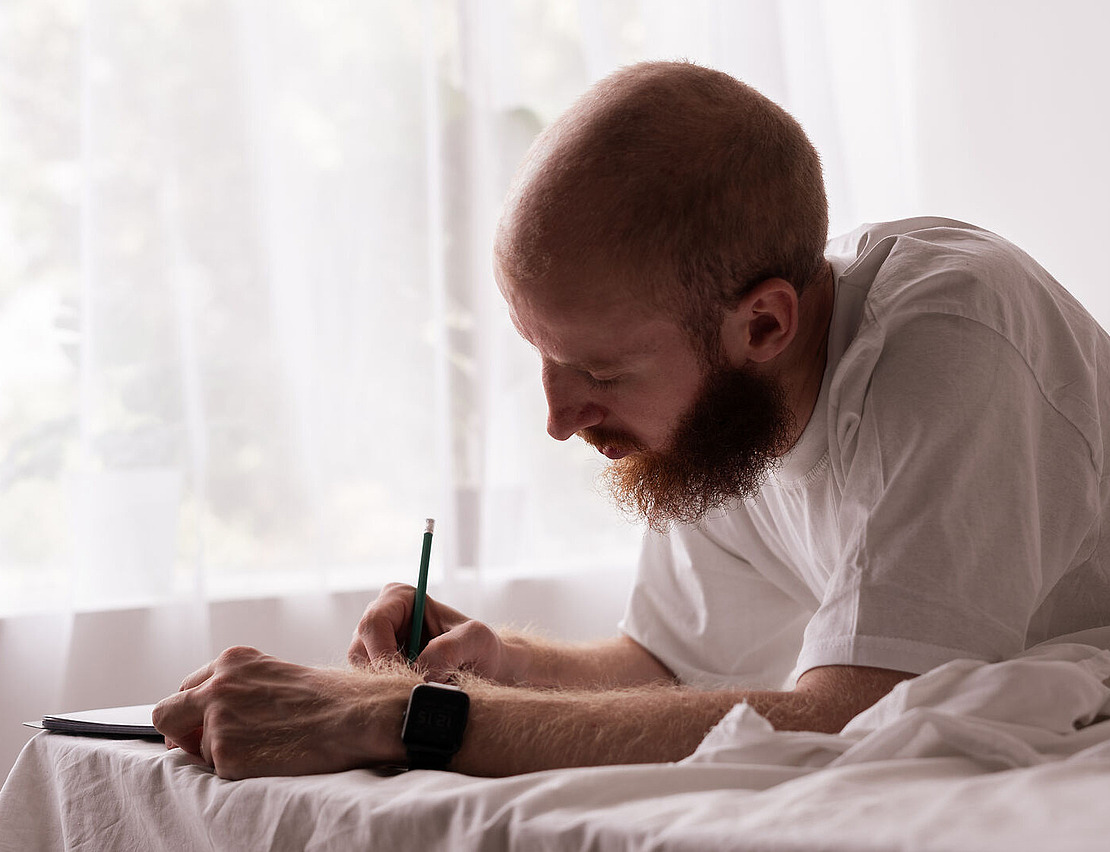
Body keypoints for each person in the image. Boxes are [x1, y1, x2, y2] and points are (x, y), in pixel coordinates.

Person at [152, 61, 1110, 780]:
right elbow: (666, 667)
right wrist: (501, 665)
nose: (559, 420)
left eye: (598, 370)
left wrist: (398, 719)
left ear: (763, 322)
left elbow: (859, 718)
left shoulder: (954, 342)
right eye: (542, 358)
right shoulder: (722, 416)